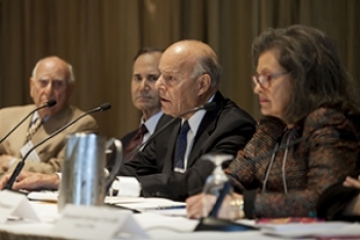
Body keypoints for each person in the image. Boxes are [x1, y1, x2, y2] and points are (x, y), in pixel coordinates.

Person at [186, 25, 360, 219]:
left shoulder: (328, 121)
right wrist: (215, 193)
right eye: (257, 78)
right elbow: (235, 176)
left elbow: (323, 199)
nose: (258, 89)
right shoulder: (273, 125)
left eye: (267, 77)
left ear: (301, 77)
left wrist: (241, 205)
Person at [117, 40, 256, 201]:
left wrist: (131, 187)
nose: (159, 85)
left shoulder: (234, 125)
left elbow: (200, 179)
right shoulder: (170, 120)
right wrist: (104, 178)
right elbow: (138, 167)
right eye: (160, 75)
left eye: (171, 78)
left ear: (202, 84)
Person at [0, 56, 98, 178]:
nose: (49, 91)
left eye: (58, 84)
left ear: (71, 89)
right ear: (32, 85)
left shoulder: (82, 124)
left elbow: (64, 172)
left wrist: (11, 163)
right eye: (43, 82)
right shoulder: (5, 116)